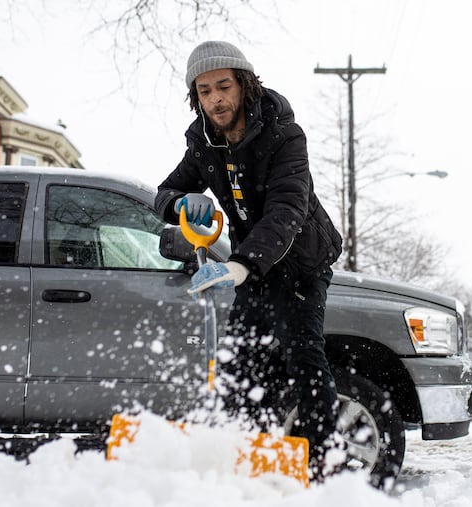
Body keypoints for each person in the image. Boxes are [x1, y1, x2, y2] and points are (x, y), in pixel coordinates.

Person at [155, 40, 343, 479]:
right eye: (204, 91)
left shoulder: (285, 136)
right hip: (252, 270)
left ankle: (324, 468)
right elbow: (163, 192)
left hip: (300, 264)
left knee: (304, 358)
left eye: (224, 86)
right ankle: (245, 460)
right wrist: (181, 203)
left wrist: (240, 266)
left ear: (245, 85)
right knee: (240, 362)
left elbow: (286, 211)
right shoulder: (204, 143)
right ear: (195, 97)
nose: (216, 99)